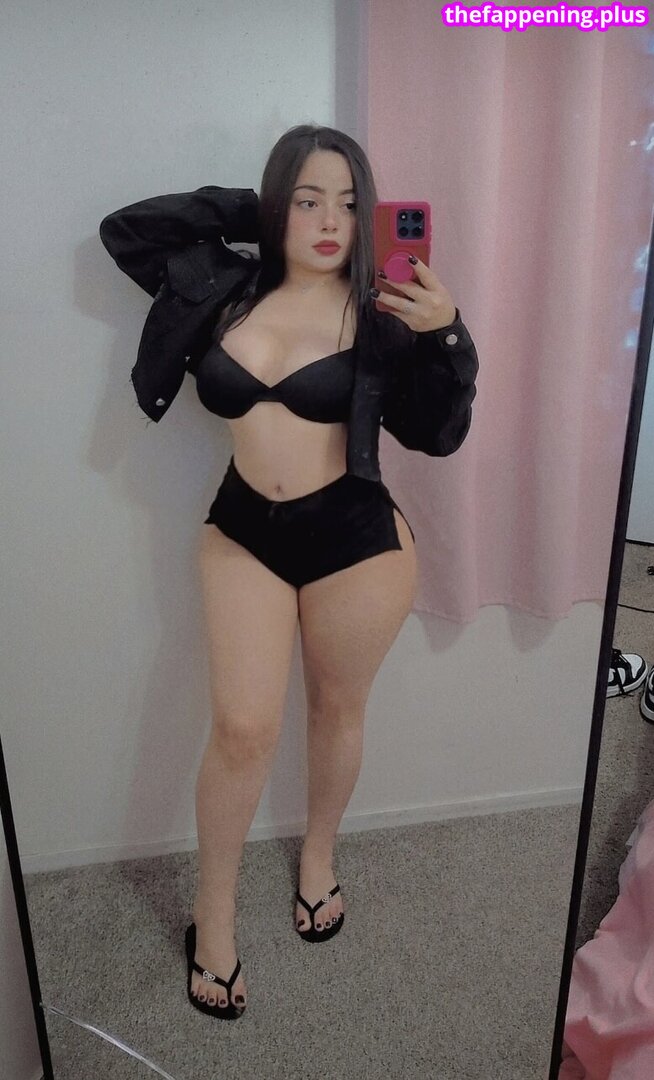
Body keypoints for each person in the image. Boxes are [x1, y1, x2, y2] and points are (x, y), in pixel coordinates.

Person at [99, 124, 480, 1020]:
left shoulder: (386, 313)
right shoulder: (221, 286)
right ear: (277, 207)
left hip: (357, 539)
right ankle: (214, 915)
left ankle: (317, 856)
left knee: (337, 708)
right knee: (241, 729)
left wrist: (448, 338)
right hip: (244, 533)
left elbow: (438, 434)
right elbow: (130, 231)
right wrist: (260, 212)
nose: (331, 222)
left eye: (349, 204)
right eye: (308, 201)